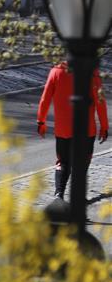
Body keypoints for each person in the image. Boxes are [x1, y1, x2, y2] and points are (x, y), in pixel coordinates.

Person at [37, 61, 108, 200]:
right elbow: (100, 101)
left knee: (63, 162)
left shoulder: (56, 71)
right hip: (86, 129)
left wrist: (41, 121)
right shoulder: (91, 72)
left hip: (63, 128)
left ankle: (59, 194)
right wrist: (104, 126)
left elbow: (45, 99)